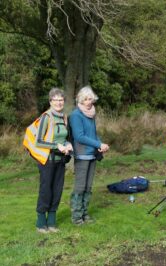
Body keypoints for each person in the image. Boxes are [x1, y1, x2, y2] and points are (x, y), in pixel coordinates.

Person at [34, 88, 73, 233]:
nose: (58, 102)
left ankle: (51, 222)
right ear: (50, 101)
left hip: (60, 160)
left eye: (61, 100)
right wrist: (57, 146)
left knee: (57, 190)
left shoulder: (64, 117)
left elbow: (66, 137)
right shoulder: (46, 117)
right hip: (47, 161)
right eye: (55, 100)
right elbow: (39, 141)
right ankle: (40, 223)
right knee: (46, 190)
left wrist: (68, 145)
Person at [69, 86, 109, 225]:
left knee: (88, 187)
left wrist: (100, 143)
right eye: (85, 99)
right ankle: (76, 217)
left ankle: (85, 214)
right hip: (81, 155)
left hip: (92, 155)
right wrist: (98, 145)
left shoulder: (91, 114)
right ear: (80, 100)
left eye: (90, 98)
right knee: (80, 187)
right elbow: (79, 137)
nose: (88, 102)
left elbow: (93, 134)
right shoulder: (75, 115)